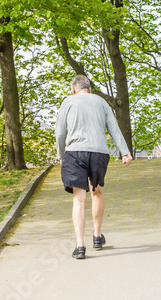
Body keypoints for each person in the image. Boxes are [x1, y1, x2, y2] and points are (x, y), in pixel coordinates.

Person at [55, 75, 132, 259]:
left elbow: (60, 132)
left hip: (74, 153)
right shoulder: (101, 102)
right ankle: (97, 237)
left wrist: (61, 154)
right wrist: (125, 152)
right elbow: (114, 128)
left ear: (73, 89)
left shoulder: (69, 101)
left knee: (79, 199)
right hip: (99, 153)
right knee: (96, 192)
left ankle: (80, 246)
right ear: (89, 89)